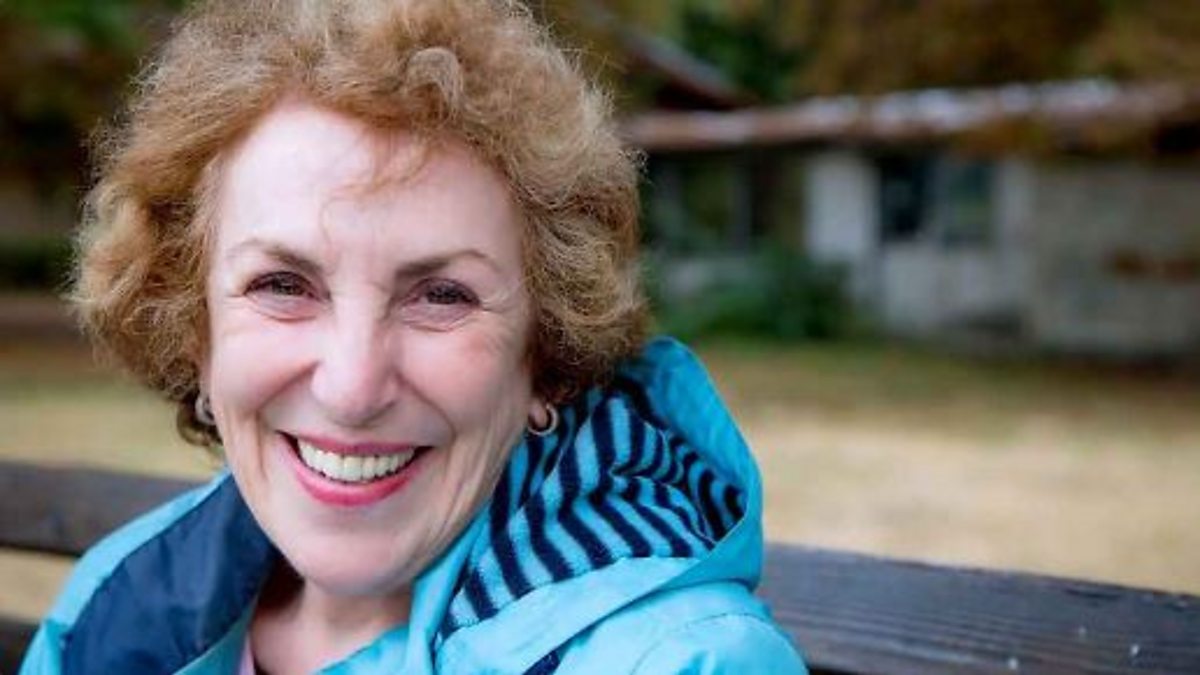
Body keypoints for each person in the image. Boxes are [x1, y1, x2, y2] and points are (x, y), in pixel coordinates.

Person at [20, 1, 806, 673]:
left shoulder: (681, 662)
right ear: (195, 326)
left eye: (442, 295)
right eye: (282, 285)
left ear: (546, 359)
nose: (352, 388)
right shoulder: (116, 609)